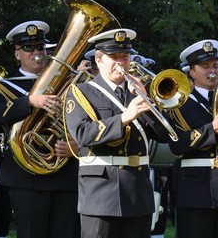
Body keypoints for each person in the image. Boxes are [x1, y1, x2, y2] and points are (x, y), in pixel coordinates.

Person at [64, 28, 170, 238]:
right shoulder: (80, 92)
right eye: (114, 57)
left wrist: (147, 100)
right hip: (101, 193)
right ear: (99, 59)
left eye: (125, 56)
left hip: (138, 191)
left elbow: (165, 135)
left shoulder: (138, 91)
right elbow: (82, 134)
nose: (121, 62)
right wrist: (124, 117)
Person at [0, 21, 80, 238]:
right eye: (29, 48)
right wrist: (29, 102)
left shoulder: (67, 82)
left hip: (64, 174)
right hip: (26, 178)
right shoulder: (5, 86)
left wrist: (73, 144)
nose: (37, 53)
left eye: (41, 48)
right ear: (17, 54)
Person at [166, 39, 218, 238]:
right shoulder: (179, 102)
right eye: (205, 66)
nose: (212, 70)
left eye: (215, 65)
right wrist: (212, 129)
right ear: (191, 72)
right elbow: (177, 145)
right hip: (196, 191)